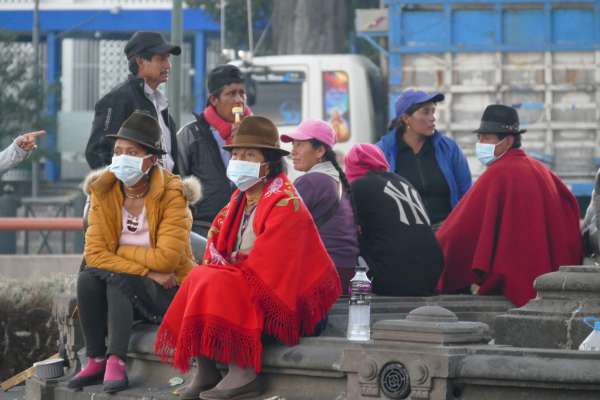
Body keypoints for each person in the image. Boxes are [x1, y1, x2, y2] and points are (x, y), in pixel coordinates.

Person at [156, 116, 341, 400]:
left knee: (217, 281)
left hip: (284, 304)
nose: (239, 160)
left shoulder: (285, 202)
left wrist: (229, 269)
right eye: (237, 154)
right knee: (199, 276)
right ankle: (205, 370)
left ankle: (244, 373)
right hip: (246, 289)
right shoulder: (237, 202)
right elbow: (216, 254)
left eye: (249, 155)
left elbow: (268, 273)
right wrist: (226, 268)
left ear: (268, 163)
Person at [68, 111, 201, 393]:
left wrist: (119, 253)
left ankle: (117, 359)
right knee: (88, 278)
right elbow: (94, 255)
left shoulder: (172, 193)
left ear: (151, 159)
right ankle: (95, 358)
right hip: (146, 279)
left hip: (169, 289)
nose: (121, 158)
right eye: (118, 151)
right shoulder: (103, 191)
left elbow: (167, 259)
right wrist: (147, 269)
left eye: (131, 152)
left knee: (117, 279)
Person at [436, 104, 582, 307]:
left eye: (486, 138)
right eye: (480, 138)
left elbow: (460, 228)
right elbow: (569, 209)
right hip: (550, 286)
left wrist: (436, 254)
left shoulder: (498, 173)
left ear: (508, 141)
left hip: (512, 286)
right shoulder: (541, 170)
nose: (481, 144)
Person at [344, 144, 443, 296]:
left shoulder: (359, 186)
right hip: (432, 277)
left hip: (393, 280)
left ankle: (358, 306)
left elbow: (345, 232)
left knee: (348, 243)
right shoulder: (404, 182)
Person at [85, 31, 181, 172]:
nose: (168, 66)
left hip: (166, 192)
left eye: (168, 59)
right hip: (137, 193)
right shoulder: (117, 99)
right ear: (140, 61)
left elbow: (170, 161)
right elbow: (96, 153)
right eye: (161, 59)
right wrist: (125, 191)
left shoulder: (160, 103)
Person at [281, 119, 358, 293]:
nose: (293, 152)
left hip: (326, 272)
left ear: (320, 151)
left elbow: (279, 224)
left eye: (300, 145)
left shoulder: (312, 181)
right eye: (293, 145)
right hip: (345, 271)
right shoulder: (334, 179)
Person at [377, 90, 471, 226]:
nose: (432, 118)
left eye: (433, 111)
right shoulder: (382, 152)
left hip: (446, 233)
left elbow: (466, 193)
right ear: (406, 118)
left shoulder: (449, 148)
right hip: (403, 236)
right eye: (425, 112)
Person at [177, 65, 251, 236]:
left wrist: (247, 142)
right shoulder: (191, 135)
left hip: (246, 228)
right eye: (231, 94)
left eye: (242, 93)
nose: (239, 100)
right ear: (213, 99)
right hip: (204, 228)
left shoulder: (260, 134)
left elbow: (275, 173)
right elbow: (176, 181)